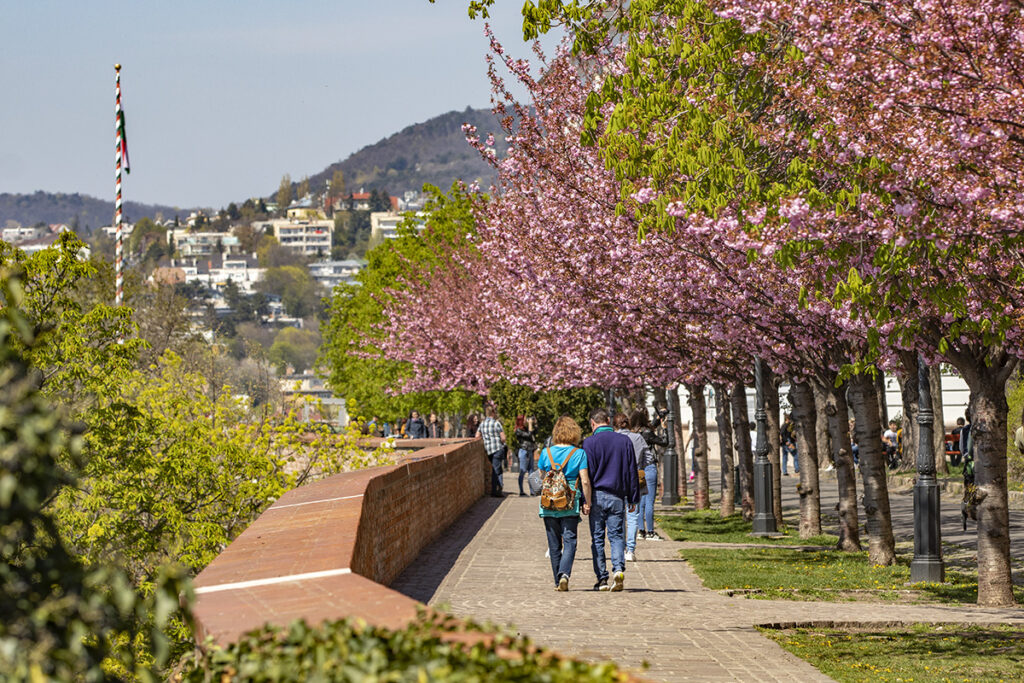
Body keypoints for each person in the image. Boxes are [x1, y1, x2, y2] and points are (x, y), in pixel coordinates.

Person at [583, 408, 640, 592]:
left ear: (592, 423)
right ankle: (618, 569)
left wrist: (585, 500)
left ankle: (602, 578)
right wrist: (633, 498)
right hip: (617, 495)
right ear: (608, 420)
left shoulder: (589, 443)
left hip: (597, 495)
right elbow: (631, 471)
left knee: (597, 538)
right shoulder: (624, 441)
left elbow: (586, 474)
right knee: (616, 536)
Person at [538, 416, 593, 591]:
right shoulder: (579, 453)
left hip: (549, 503)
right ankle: (564, 574)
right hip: (570, 502)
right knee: (570, 541)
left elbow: (541, 477)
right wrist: (587, 502)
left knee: (554, 544)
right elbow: (585, 481)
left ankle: (557, 580)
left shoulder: (546, 453)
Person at [615, 412, 653, 561]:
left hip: (617, 480)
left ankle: (621, 547)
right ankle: (630, 550)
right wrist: (639, 465)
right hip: (634, 479)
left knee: (619, 516)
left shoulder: (614, 438)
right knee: (632, 515)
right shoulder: (638, 438)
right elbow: (649, 457)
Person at [631, 410, 662, 542]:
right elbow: (665, 442)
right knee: (649, 501)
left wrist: (658, 420)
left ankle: (641, 530)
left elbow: (650, 428)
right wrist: (666, 428)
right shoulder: (647, 433)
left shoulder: (633, 434)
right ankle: (650, 531)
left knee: (640, 502)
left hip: (637, 469)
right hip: (649, 467)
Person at [479, 406, 507, 497]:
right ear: (493, 413)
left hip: (488, 450)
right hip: (497, 448)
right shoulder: (496, 423)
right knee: (496, 470)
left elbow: (477, 436)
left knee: (496, 468)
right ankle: (496, 491)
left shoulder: (482, 424)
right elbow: (503, 438)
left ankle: (498, 488)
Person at [514, 415, 538, 497]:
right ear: (521, 421)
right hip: (524, 451)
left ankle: (532, 491)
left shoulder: (526, 429)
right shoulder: (518, 430)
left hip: (530, 450)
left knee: (531, 471)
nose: (526, 421)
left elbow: (535, 433)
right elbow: (529, 435)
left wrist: (535, 424)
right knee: (523, 470)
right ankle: (521, 491)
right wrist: (530, 425)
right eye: (524, 420)